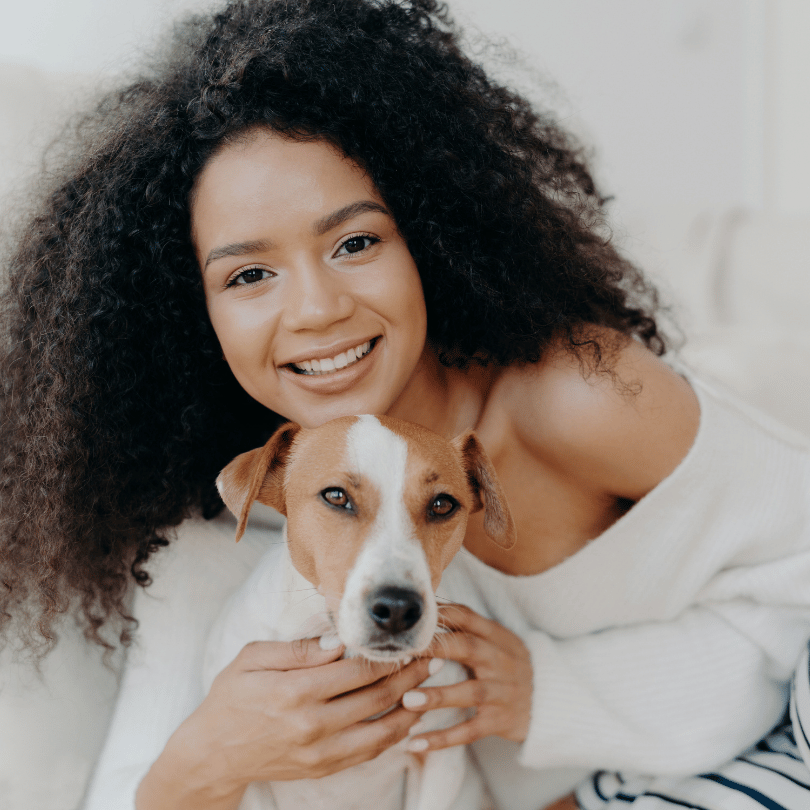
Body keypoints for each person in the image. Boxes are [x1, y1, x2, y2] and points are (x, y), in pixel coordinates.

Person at [2, 1, 810, 808]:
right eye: (249, 275)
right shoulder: (211, 532)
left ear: (430, 235)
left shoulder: (580, 401)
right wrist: (214, 755)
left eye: (355, 242)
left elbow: (798, 591)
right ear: (191, 313)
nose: (315, 309)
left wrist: (542, 690)